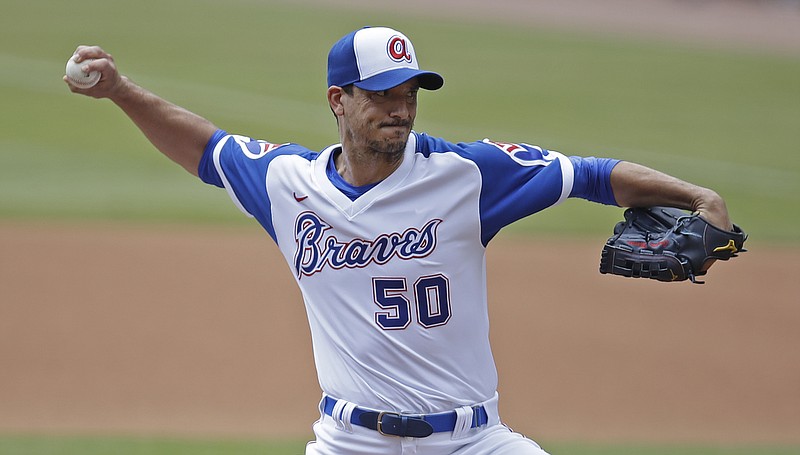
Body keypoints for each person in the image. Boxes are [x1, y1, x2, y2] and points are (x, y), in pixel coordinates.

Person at [65, 26, 734, 454]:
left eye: (410, 90)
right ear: (339, 99)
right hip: (350, 442)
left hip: (474, 441)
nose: (401, 107)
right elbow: (204, 147)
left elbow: (589, 175)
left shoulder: (468, 175)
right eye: (382, 92)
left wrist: (699, 198)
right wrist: (121, 90)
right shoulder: (288, 183)